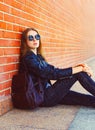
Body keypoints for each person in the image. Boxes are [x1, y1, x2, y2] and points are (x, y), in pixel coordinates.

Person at [19, 27, 95, 108]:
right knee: (79, 73)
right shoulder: (28, 59)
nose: (35, 39)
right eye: (31, 38)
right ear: (25, 41)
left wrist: (76, 67)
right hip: (44, 97)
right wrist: (79, 69)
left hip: (51, 92)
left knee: (83, 98)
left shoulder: (38, 57)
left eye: (37, 37)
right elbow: (52, 74)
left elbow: (53, 70)